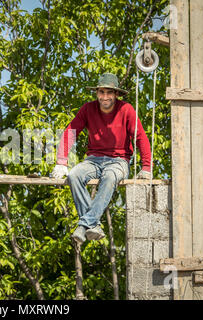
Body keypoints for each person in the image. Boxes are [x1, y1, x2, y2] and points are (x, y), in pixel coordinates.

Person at [51, 73, 152, 244]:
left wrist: (146, 167)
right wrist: (61, 162)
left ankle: (83, 226)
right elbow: (70, 132)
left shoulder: (126, 110)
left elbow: (140, 137)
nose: (105, 97)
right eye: (101, 92)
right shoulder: (88, 109)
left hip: (119, 160)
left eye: (109, 93)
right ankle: (92, 224)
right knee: (74, 175)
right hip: (93, 160)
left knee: (110, 177)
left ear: (116, 94)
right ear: (97, 93)